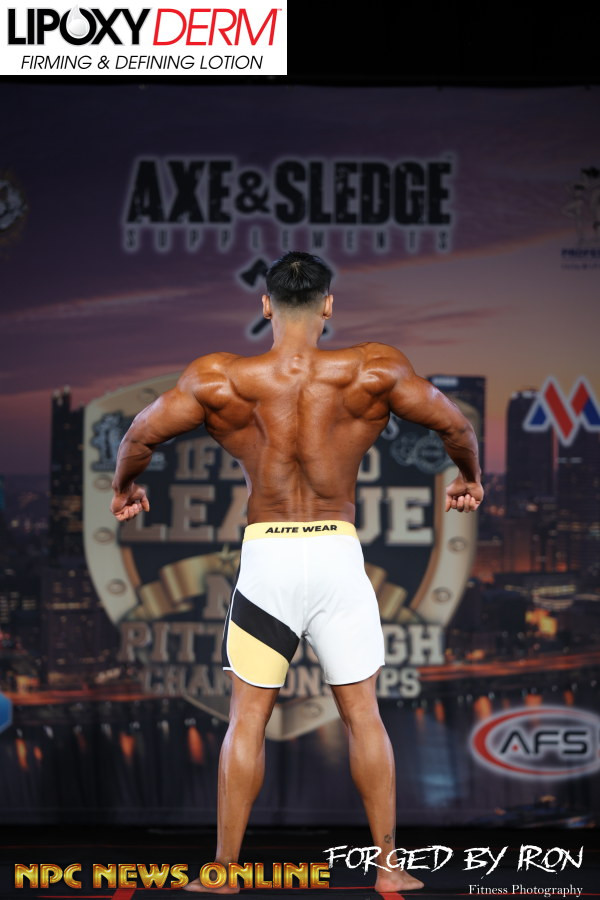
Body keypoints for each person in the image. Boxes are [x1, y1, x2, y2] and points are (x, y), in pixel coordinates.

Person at [111, 251, 483, 893]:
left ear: (265, 307)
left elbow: (140, 436)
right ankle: (389, 870)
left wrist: (126, 488)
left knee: (246, 721)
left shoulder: (220, 378)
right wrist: (469, 478)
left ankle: (224, 872)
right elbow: (454, 424)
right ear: (329, 306)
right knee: (363, 716)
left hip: (268, 561)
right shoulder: (373, 369)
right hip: (338, 557)